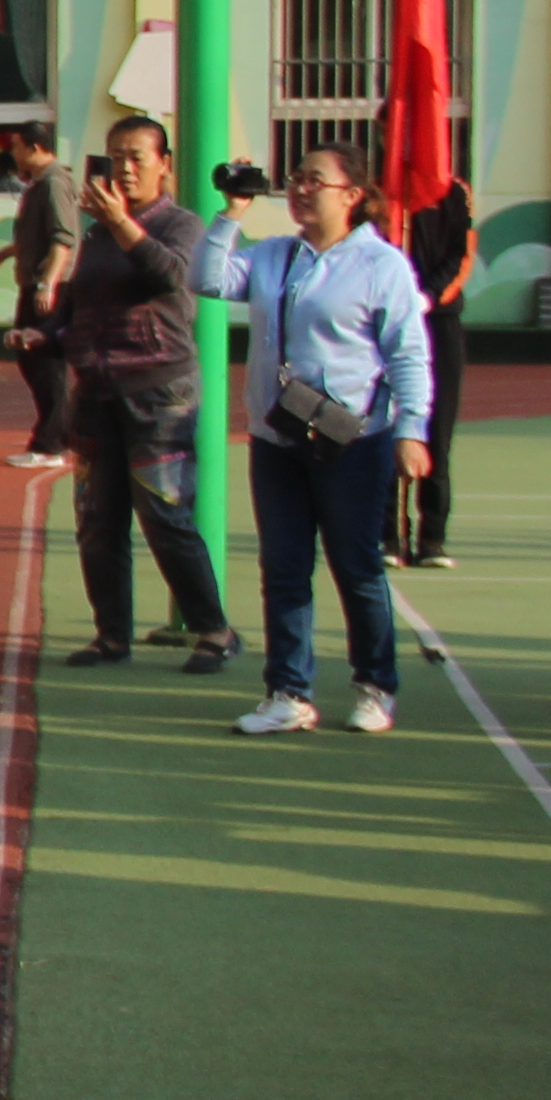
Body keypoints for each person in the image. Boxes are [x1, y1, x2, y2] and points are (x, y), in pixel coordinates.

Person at [191, 146, 437, 737]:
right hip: (277, 435)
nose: (301, 189)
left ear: (352, 194)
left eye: (316, 181)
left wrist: (412, 430)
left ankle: (375, 685)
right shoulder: (275, 255)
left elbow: (407, 354)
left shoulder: (382, 265)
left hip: (351, 439)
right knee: (284, 566)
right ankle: (288, 691)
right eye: (296, 178)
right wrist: (232, 213)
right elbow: (206, 278)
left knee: (355, 565)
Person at [61, 114, 236, 674]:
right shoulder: (94, 234)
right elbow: (84, 308)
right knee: (97, 518)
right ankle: (111, 634)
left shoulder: (180, 225)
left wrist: (124, 226)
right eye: (116, 157)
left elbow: (170, 277)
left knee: (165, 515)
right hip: (97, 393)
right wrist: (45, 336)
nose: (126, 168)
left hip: (159, 394)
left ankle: (214, 629)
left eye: (138, 157)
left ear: (165, 164)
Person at [391, 133, 476, 564]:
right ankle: (388, 533)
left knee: (436, 431)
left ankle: (432, 538)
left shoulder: (453, 192)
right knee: (384, 423)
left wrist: (427, 296)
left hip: (438, 321)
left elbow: (462, 255)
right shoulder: (381, 191)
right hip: (386, 322)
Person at [0, 127, 79, 471]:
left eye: (16, 147)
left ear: (34, 148)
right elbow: (39, 236)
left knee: (44, 364)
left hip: (49, 286)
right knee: (32, 360)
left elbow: (63, 238)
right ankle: (54, 434)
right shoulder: (41, 185)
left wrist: (48, 284)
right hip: (35, 281)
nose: (12, 153)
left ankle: (51, 441)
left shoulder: (54, 185)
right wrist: (1, 255)